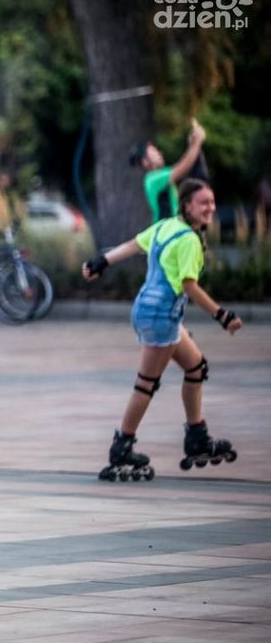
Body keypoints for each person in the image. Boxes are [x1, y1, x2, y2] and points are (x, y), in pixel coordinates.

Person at [82, 178, 242, 481]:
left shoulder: (167, 225)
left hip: (150, 310)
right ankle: (122, 447)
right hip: (160, 316)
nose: (210, 208)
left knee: (196, 367)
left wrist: (102, 261)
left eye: (212, 202)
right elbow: (189, 287)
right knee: (146, 384)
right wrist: (222, 316)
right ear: (187, 206)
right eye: (203, 203)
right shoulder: (189, 240)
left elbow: (134, 245)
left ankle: (196, 437)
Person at [129, 119, 207, 224]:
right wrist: (196, 143)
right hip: (167, 230)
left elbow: (187, 165)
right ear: (145, 162)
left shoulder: (160, 176)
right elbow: (183, 167)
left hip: (171, 228)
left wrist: (193, 145)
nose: (159, 153)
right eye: (153, 151)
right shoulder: (152, 178)